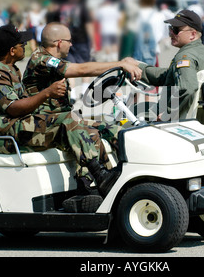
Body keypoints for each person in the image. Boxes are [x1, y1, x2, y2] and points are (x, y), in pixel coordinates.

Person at [0, 24, 140, 212]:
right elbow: (14, 109)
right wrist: (47, 93)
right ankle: (93, 181)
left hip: (21, 125)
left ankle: (120, 175)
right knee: (72, 121)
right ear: (11, 50)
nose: (26, 45)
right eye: (21, 43)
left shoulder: (9, 68)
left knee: (104, 126)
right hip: (2, 134)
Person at [22, 22, 141, 204]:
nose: (72, 45)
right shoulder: (42, 60)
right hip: (44, 123)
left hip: (60, 120)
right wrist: (120, 64)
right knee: (80, 126)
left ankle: (128, 172)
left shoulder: (51, 60)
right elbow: (81, 70)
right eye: (69, 41)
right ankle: (93, 182)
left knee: (109, 126)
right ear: (59, 42)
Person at [137, 9, 204, 121]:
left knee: (123, 119)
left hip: (179, 121)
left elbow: (187, 88)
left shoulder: (186, 56)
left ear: (192, 34)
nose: (171, 33)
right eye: (170, 28)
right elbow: (169, 75)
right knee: (136, 110)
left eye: (176, 30)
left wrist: (168, 114)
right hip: (191, 115)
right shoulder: (198, 50)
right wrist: (138, 67)